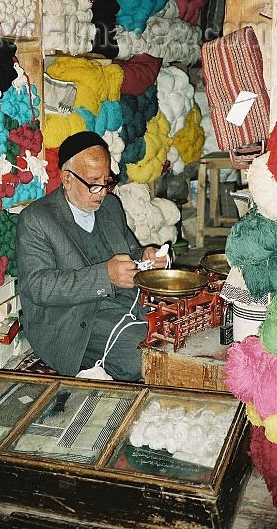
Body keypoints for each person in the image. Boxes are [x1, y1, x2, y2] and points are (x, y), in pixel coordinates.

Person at [15, 132, 167, 381]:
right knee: (146, 356)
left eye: (106, 182)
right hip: (72, 321)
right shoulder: (37, 219)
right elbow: (38, 287)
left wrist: (148, 255)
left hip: (123, 304)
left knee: (174, 328)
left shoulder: (110, 206)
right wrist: (105, 277)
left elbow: (129, 251)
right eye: (93, 183)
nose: (102, 192)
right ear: (66, 179)